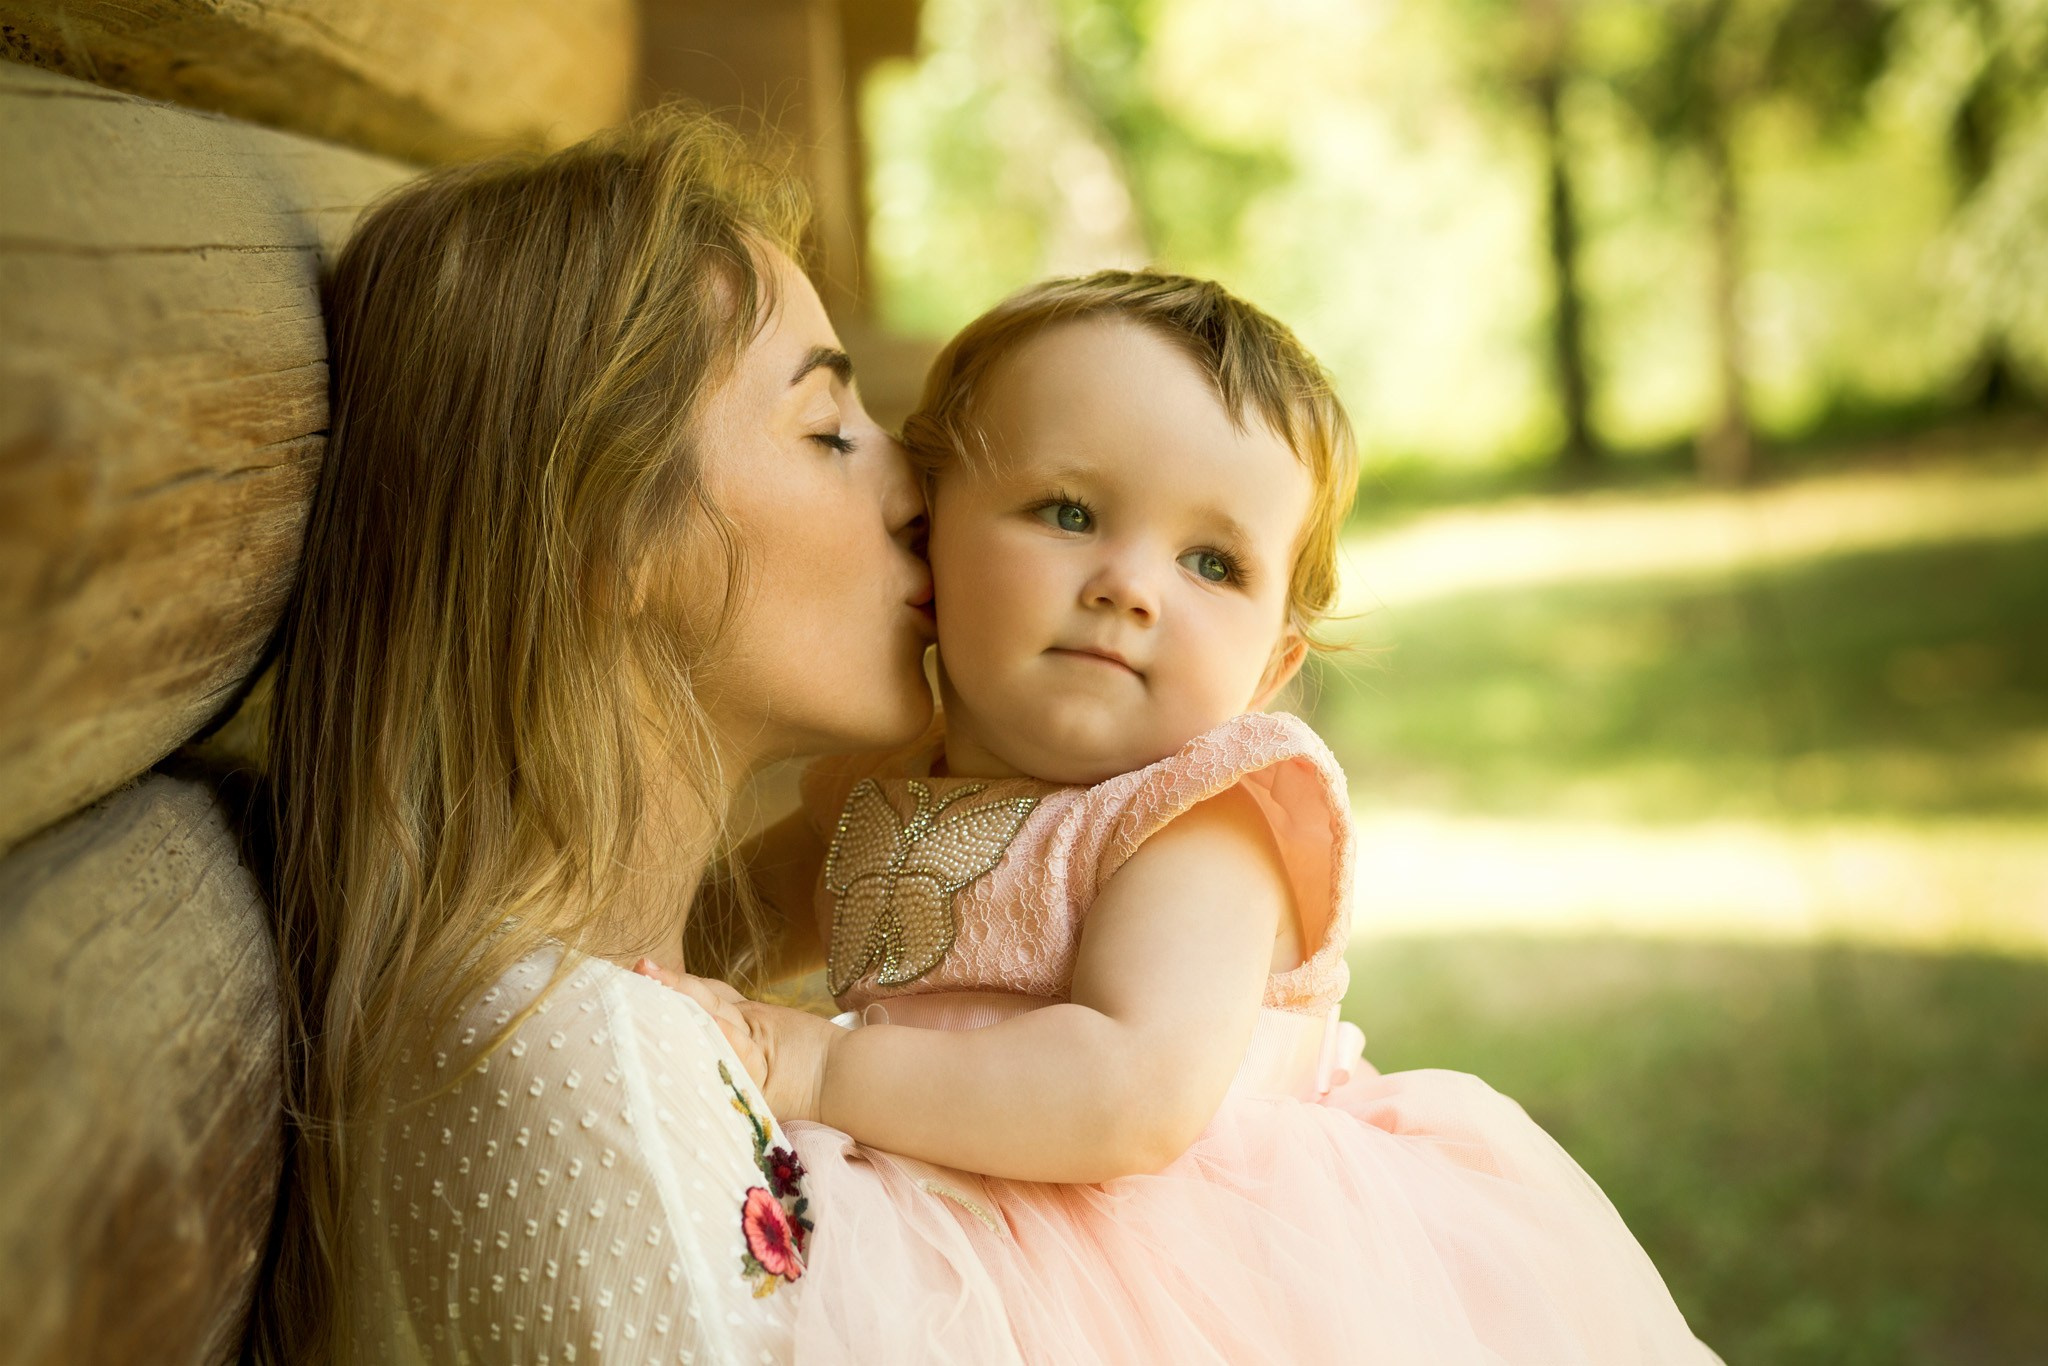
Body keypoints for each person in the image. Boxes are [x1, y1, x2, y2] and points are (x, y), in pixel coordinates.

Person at [651, 271, 1725, 1364]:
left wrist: (816, 1070)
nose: (1129, 586)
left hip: (1158, 1266)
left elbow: (1126, 1090)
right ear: (930, 537)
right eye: (1068, 512)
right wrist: (604, 971)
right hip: (935, 1225)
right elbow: (714, 923)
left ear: (1271, 663)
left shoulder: (1201, 815)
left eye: (1211, 562)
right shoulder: (883, 782)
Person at [251, 108, 941, 1364]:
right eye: (830, 432)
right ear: (609, 535)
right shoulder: (571, 1069)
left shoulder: (597, 1005)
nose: (918, 492)